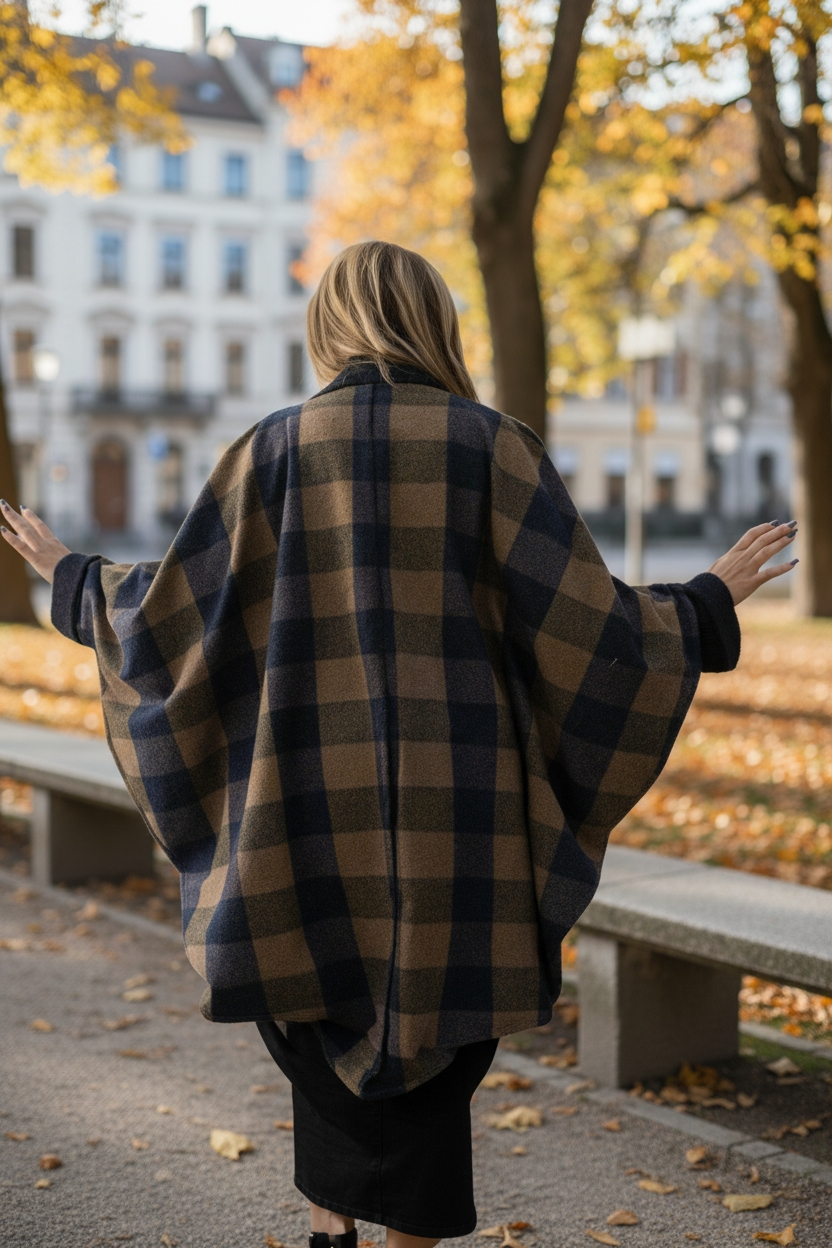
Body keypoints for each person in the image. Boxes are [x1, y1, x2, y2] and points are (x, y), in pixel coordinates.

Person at [1, 241, 798, 1248]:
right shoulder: (494, 447)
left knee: (314, 1008)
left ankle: (330, 1229)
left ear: (327, 324)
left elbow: (177, 619)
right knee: (436, 1041)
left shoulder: (271, 450)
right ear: (437, 322)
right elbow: (588, 633)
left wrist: (75, 579)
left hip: (298, 812)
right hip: (458, 824)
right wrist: (702, 606)